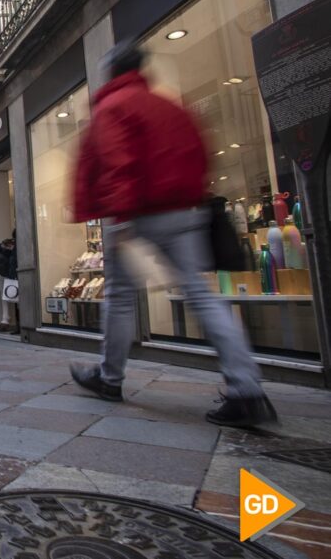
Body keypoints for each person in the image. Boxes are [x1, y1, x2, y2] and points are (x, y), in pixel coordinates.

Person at [68, 40, 277, 428]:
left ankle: (110, 378)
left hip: (138, 213)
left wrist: (124, 219)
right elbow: (199, 152)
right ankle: (246, 388)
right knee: (201, 295)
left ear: (111, 73)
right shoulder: (168, 104)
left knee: (120, 297)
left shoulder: (113, 107)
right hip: (185, 212)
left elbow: (119, 164)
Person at [0, 231, 18, 333]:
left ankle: (20, 326)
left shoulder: (16, 250)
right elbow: (4, 251)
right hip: (13, 277)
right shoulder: (13, 250)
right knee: (16, 301)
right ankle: (19, 326)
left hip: (16, 277)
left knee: (18, 302)